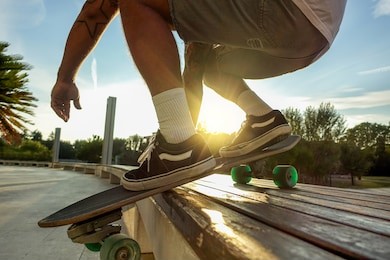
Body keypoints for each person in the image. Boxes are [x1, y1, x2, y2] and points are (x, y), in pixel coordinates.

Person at [51, 0, 347, 191]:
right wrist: (182, 135)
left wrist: (65, 78)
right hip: (312, 36)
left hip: (284, 9)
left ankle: (178, 145)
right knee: (202, 53)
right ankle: (263, 119)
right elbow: (194, 60)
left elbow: (94, 10)